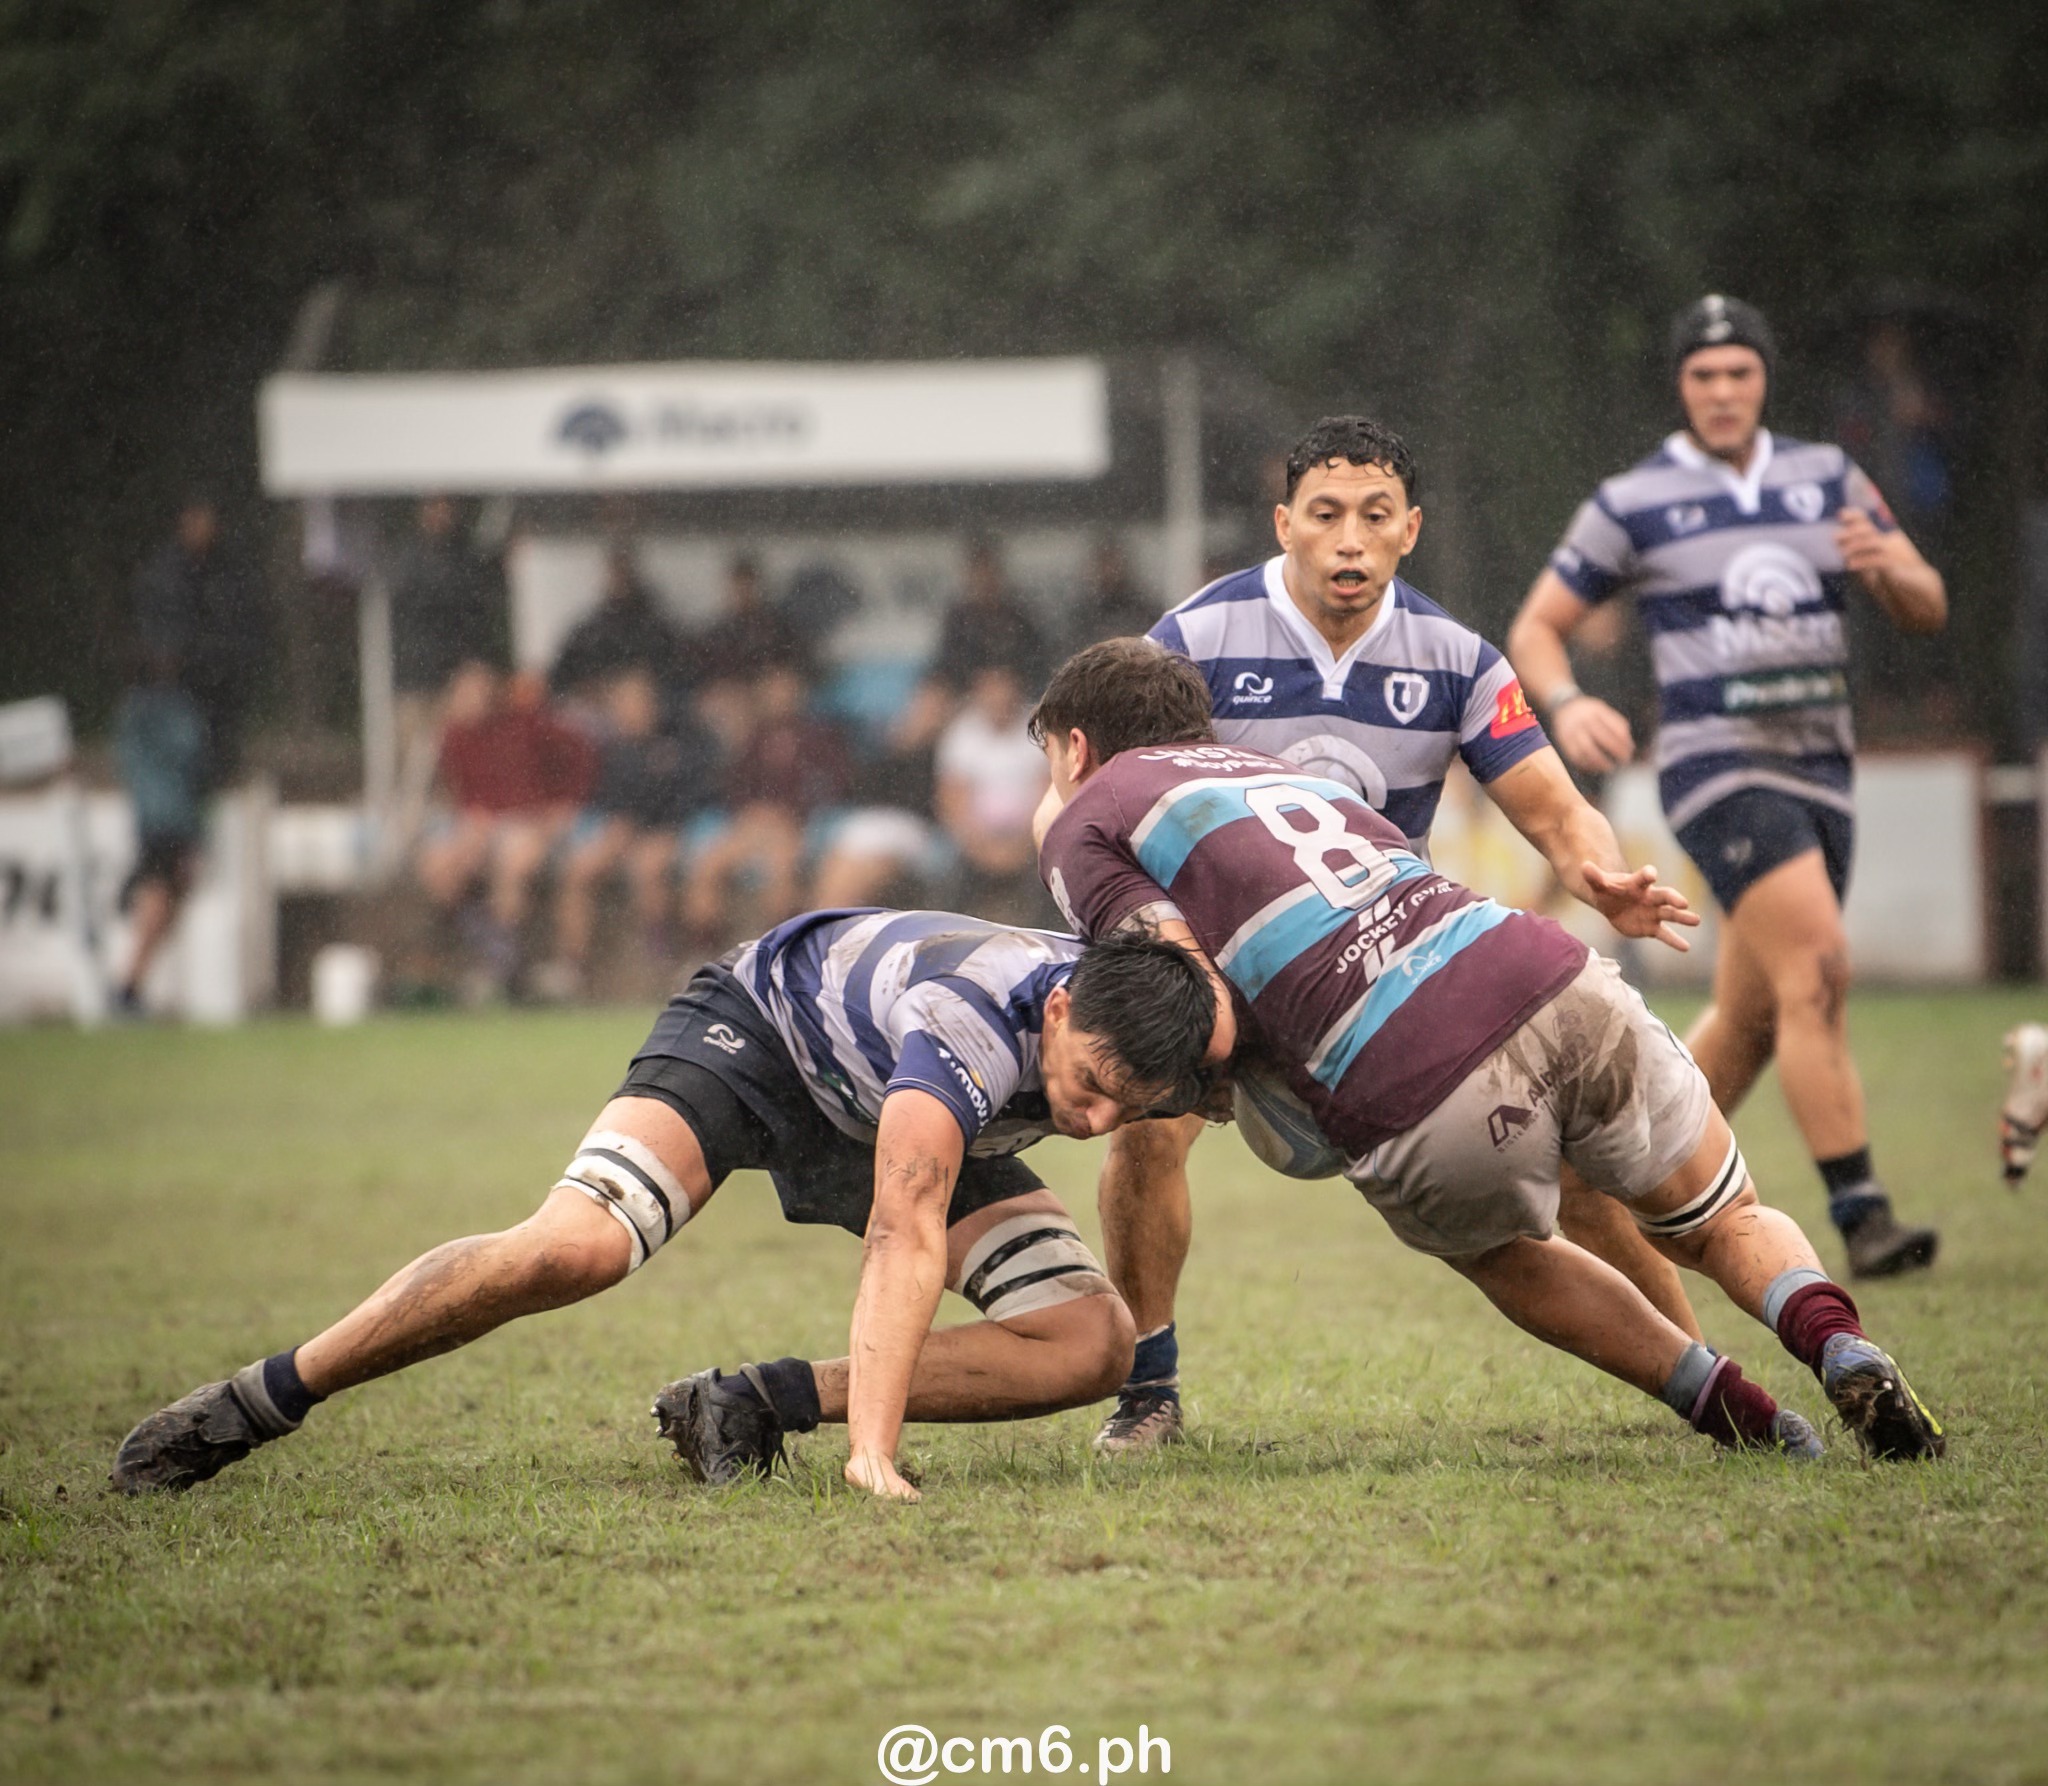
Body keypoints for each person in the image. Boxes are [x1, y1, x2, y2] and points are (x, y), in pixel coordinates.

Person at [1031, 638, 1945, 1465]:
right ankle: (1835, 1338)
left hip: (1409, 1072)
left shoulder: (1089, 816)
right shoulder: (1272, 771)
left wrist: (1205, 1086)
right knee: (1723, 1217)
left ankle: (1743, 1414)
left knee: (1504, 1252)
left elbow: (1204, 1015)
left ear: (1076, 749)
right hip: (1545, 969)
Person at [107, 914, 1218, 1503]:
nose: (1090, 1123)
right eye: (1083, 1086)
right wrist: (876, 1460)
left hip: (895, 1105)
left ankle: (751, 1403)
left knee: (1089, 1342)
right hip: (763, 1040)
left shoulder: (1152, 1019)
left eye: (1125, 1104)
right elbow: (902, 1231)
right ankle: (263, 1397)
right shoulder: (970, 1026)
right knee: (575, 1248)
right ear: (1059, 1006)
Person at [1089, 415, 1706, 1456]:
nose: (1347, 540)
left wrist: (1596, 872)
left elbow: (1552, 808)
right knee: (1145, 1127)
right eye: (1323, 515)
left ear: (1408, 529)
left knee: (1574, 1173)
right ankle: (1148, 1389)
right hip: (1219, 971)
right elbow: (1112, 788)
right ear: (1282, 523)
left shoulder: (1457, 660)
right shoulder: (1193, 641)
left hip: (1377, 977)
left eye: (1373, 517)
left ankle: (1700, 1377)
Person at [1508, 295, 1948, 1280]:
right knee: (1819, 970)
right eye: (1701, 375)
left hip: (1820, 770)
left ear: (1762, 379)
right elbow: (1535, 626)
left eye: (1737, 372)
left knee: (1753, 1018)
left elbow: (1926, 603)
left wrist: (1886, 570)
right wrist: (1568, 700)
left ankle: (1602, 1181)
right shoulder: (1634, 499)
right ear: (1680, 385)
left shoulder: (1824, 477)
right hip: (1715, 769)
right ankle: (1861, 1211)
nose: (1719, 391)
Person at [533, 667, 722, 1000]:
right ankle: (571, 965)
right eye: (621, 704)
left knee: (648, 869)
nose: (627, 711)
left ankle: (662, 957)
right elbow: (610, 806)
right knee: (577, 870)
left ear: (652, 704)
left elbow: (688, 801)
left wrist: (656, 833)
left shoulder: (678, 746)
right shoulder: (614, 753)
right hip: (624, 832)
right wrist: (616, 833)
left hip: (671, 831)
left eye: (634, 702)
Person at [416, 664, 596, 998]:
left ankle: (505, 970)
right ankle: (492, 947)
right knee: (439, 869)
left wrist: (566, 804)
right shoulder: (453, 736)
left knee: (512, 866)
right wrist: (471, 830)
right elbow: (462, 796)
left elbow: (579, 753)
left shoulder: (523, 724)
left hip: (527, 818)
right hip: (479, 821)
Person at [681, 664, 850, 947]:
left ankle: (777, 952)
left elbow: (833, 785)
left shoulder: (819, 736)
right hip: (752, 825)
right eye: (773, 688)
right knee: (706, 867)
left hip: (794, 826)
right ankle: (702, 952)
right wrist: (750, 810)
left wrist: (794, 811)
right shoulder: (754, 737)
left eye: (785, 687)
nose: (779, 694)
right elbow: (735, 785)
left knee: (782, 871)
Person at [131, 494, 264, 789]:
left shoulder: (227, 567)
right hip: (183, 680)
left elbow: (242, 617)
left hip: (221, 676)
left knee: (221, 745)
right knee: (186, 747)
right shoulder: (165, 570)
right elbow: (159, 625)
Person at [110, 650, 209, 1015]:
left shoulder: (133, 712)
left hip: (155, 821)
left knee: (164, 900)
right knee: (159, 897)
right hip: (169, 822)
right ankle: (127, 988)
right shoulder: (172, 711)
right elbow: (193, 759)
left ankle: (132, 985)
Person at [934, 665, 1051, 910]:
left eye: (1004, 689)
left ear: (1017, 690)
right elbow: (951, 800)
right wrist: (979, 848)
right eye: (991, 690)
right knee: (951, 878)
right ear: (978, 692)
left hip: (1029, 835)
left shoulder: (1038, 729)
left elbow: (1048, 795)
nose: (998, 698)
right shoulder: (962, 732)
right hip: (975, 839)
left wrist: (1025, 846)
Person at [548, 543, 688, 706]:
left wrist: (633, 689)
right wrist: (592, 690)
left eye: (624, 573)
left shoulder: (655, 628)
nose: (619, 580)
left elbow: (674, 676)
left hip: (644, 709)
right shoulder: (588, 631)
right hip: (593, 711)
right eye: (615, 573)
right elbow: (558, 682)